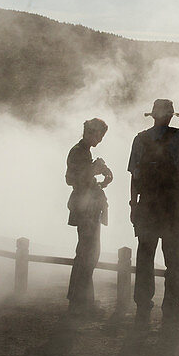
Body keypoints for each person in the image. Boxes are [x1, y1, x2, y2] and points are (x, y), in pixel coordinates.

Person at [129, 99, 179, 321]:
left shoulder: (139, 140)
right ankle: (171, 306)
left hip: (147, 204)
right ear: (169, 116)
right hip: (173, 204)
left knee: (145, 256)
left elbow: (134, 176)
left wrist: (133, 205)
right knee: (175, 258)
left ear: (153, 116)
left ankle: (142, 304)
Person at [65, 117, 112, 315]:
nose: (100, 139)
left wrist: (99, 175)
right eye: (100, 135)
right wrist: (96, 169)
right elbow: (71, 179)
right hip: (86, 210)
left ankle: (81, 301)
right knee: (87, 254)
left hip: (88, 208)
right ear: (92, 133)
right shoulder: (78, 152)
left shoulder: (83, 152)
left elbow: (83, 178)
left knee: (87, 254)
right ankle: (80, 303)